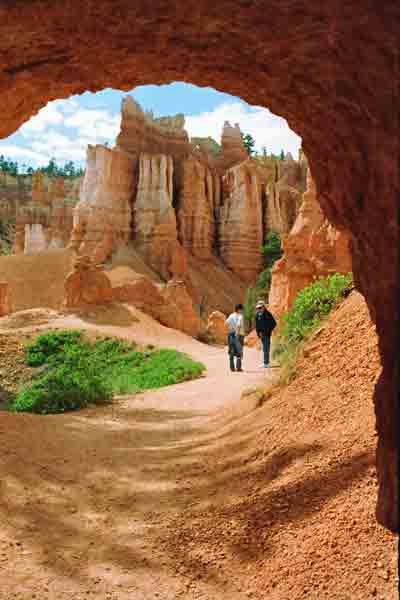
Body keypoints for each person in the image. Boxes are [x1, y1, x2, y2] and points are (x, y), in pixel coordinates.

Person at [255, 300, 276, 368]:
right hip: (261, 335)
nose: (259, 309)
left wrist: (268, 331)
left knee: (266, 348)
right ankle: (265, 362)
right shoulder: (257, 315)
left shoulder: (268, 314)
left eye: (260, 308)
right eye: (258, 308)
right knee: (264, 349)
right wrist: (258, 333)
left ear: (264, 307)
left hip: (266, 335)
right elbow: (257, 325)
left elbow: (274, 323)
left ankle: (266, 363)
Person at [225, 303, 245, 372]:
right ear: (239, 310)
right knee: (239, 351)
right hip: (239, 335)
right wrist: (237, 333)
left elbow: (226, 323)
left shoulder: (231, 315)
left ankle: (232, 368)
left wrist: (231, 330)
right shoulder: (240, 316)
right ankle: (238, 368)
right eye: (242, 309)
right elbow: (239, 325)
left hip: (231, 334)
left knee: (232, 351)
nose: (242, 311)